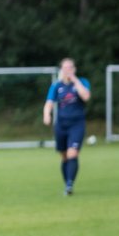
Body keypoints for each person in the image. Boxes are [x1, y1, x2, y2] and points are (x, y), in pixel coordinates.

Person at [42, 58, 91, 196]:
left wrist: (75, 80)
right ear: (61, 70)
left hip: (77, 125)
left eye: (70, 68)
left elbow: (86, 97)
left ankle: (69, 185)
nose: (67, 70)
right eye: (64, 68)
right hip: (61, 125)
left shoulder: (83, 82)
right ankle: (67, 184)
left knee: (72, 153)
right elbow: (49, 102)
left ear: (74, 69)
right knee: (64, 156)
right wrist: (47, 114)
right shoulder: (57, 86)